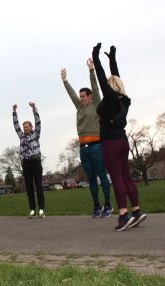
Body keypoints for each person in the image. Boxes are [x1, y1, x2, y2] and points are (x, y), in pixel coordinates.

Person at [92, 43, 146, 231]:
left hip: (111, 144)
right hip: (123, 142)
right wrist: (112, 59)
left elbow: (100, 78)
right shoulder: (124, 100)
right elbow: (116, 78)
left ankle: (123, 215)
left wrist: (96, 56)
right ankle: (137, 211)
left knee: (117, 179)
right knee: (127, 178)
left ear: (110, 87)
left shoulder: (110, 98)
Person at [60, 59, 112, 218]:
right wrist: (65, 81)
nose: (81, 98)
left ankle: (108, 205)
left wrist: (91, 71)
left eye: (84, 96)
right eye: (81, 96)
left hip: (97, 146)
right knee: (90, 178)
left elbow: (95, 88)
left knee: (102, 176)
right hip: (83, 148)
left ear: (90, 97)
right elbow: (71, 95)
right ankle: (97, 206)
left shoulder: (95, 104)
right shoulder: (79, 107)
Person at [13, 102, 45, 218]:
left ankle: (41, 210)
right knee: (29, 188)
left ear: (31, 127)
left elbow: (38, 121)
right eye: (24, 127)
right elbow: (16, 125)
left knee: (39, 186)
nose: (25, 128)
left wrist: (34, 109)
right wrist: (14, 112)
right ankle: (32, 210)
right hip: (26, 164)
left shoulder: (36, 134)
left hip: (36, 162)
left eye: (27, 127)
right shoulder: (21, 136)